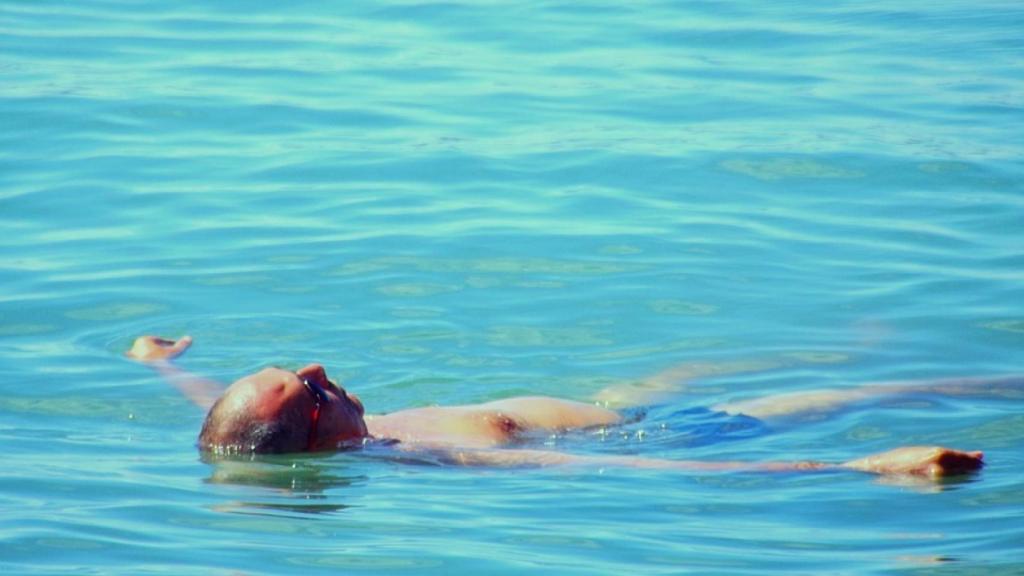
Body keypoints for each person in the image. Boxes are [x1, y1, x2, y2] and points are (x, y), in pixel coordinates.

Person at [125, 334, 1004, 479]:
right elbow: (616, 468)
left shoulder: (312, 429)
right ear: (316, 435)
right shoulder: (427, 458)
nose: (319, 368)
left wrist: (160, 366)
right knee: (867, 395)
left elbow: (228, 416)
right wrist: (860, 464)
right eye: (309, 385)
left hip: (621, 405)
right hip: (682, 437)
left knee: (707, 359)